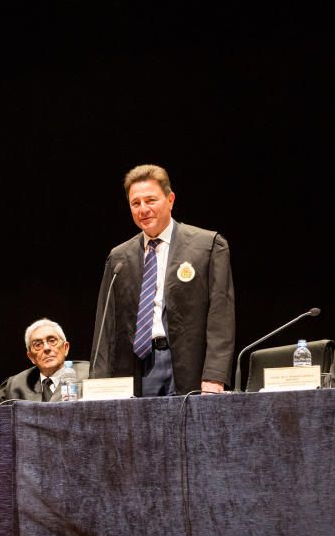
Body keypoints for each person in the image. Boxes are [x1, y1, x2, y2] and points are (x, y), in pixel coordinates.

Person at [90, 163, 235, 396]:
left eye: (151, 200)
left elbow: (221, 315)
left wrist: (215, 374)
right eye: (135, 203)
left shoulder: (207, 246)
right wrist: (97, 383)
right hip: (138, 367)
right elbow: (105, 327)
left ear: (170, 200)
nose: (143, 209)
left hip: (190, 367)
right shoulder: (120, 258)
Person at [0, 318, 91, 403]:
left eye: (52, 341)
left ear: (65, 348)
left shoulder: (90, 375)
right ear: (31, 357)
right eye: (38, 345)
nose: (46, 348)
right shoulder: (15, 385)